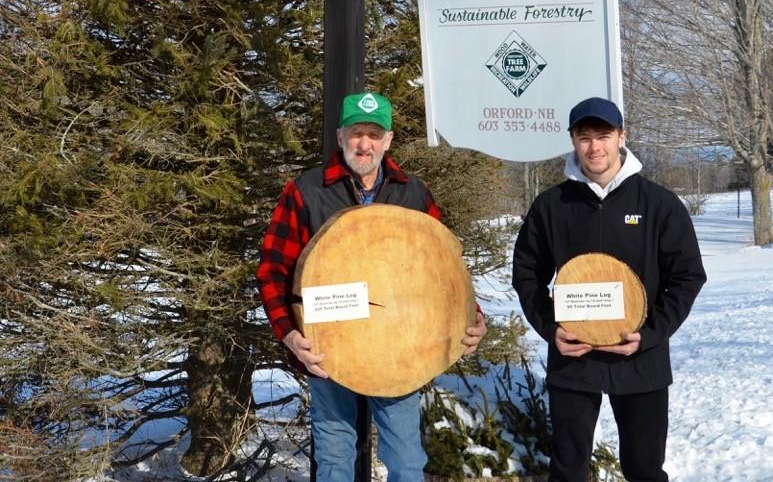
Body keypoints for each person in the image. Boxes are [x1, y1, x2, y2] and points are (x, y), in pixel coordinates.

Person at [257, 91, 487, 482]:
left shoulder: (412, 193)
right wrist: (291, 336)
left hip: (399, 351)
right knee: (333, 465)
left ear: (388, 140)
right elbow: (272, 270)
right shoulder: (307, 191)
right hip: (329, 351)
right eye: (357, 132)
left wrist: (472, 317)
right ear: (340, 135)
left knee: (408, 464)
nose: (365, 143)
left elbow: (442, 271)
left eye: (374, 134)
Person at [512, 97, 706, 482]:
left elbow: (687, 277)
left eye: (604, 135)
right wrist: (552, 331)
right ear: (573, 140)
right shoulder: (552, 206)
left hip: (640, 361)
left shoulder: (658, 204)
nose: (594, 146)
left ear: (622, 137)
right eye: (584, 137)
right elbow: (527, 274)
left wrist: (648, 336)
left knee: (644, 469)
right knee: (568, 469)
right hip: (573, 360)